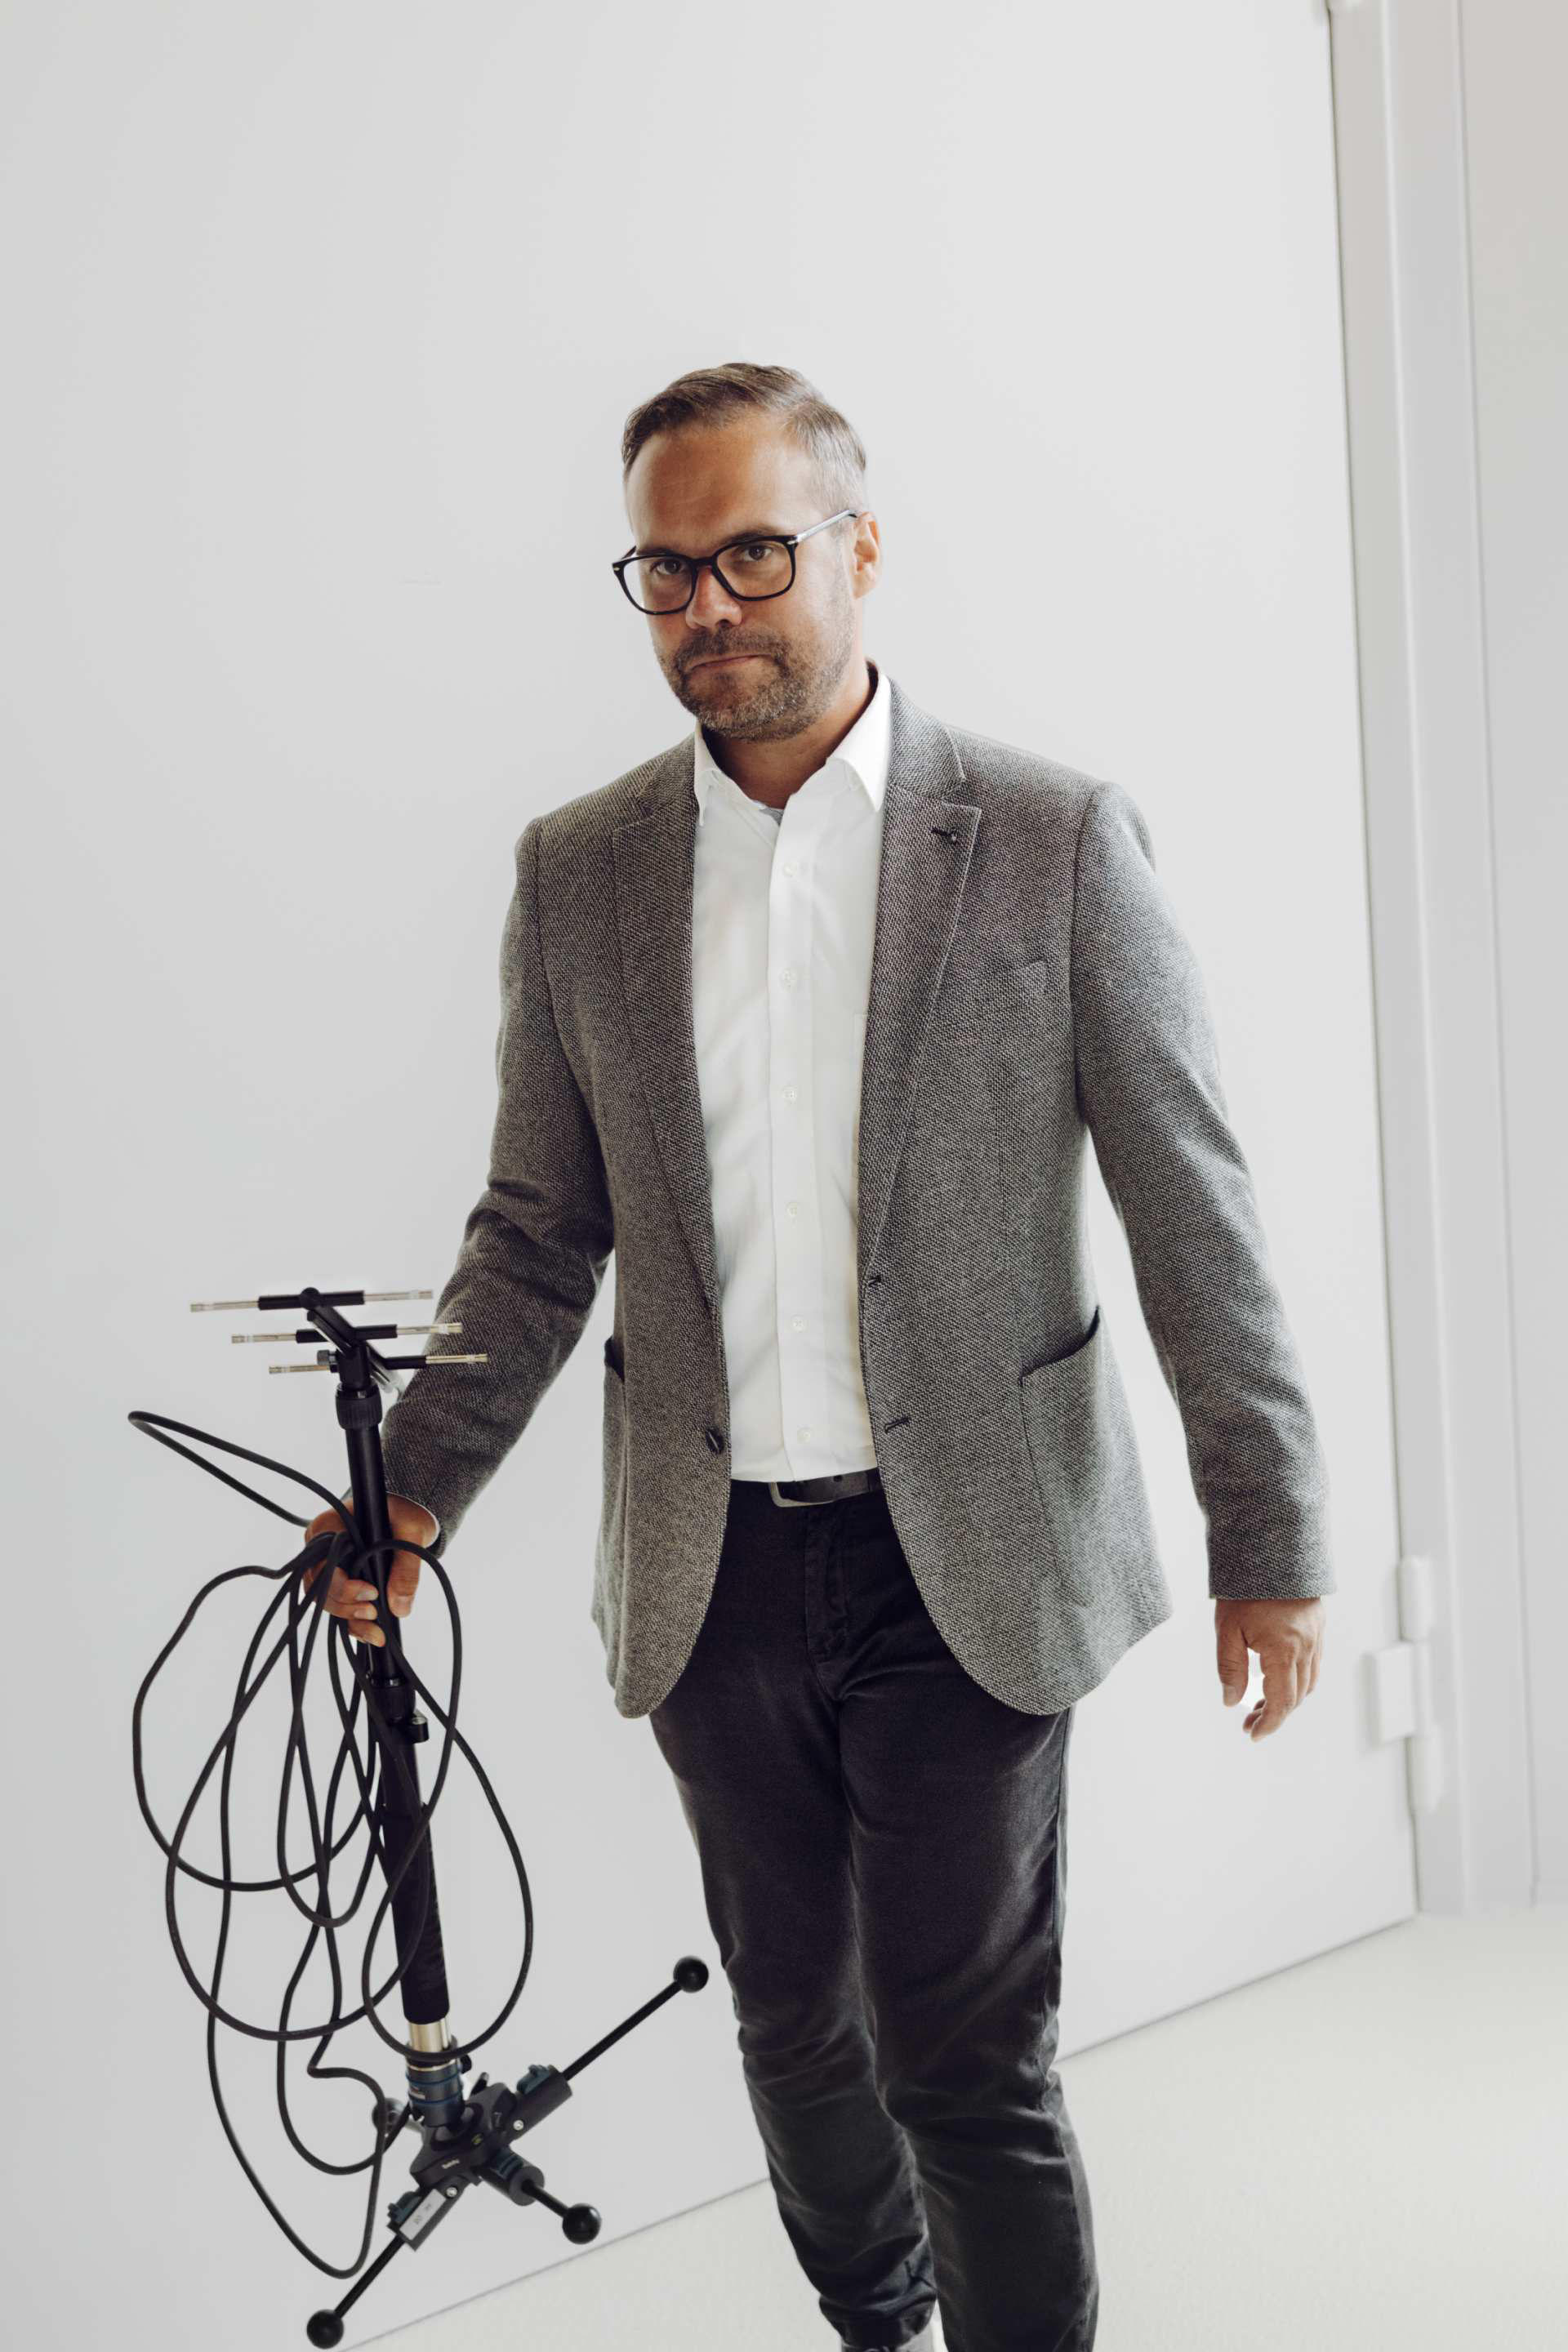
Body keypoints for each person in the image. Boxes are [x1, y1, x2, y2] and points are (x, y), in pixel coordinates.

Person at [306, 362, 1333, 2352]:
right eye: (667, 571)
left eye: (754, 554)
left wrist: (1267, 1536)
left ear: (862, 549)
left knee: (963, 2055)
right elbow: (538, 1231)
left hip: (973, 1555)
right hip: (716, 1574)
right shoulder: (581, 871)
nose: (710, 606)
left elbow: (1193, 1210)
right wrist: (412, 1489)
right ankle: (877, 2320)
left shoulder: (1049, 840)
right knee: (792, 2029)